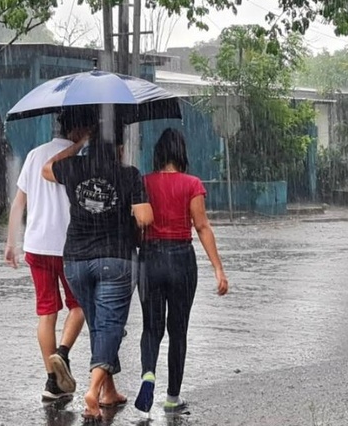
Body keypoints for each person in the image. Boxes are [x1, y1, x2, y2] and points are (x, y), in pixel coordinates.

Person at [42, 118, 153, 421]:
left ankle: (108, 391)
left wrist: (78, 145)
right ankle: (92, 392)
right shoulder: (128, 174)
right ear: (119, 148)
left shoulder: (74, 167)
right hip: (115, 259)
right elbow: (145, 217)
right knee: (109, 325)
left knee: (99, 325)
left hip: (75, 260)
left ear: (91, 145)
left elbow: (47, 168)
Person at [134, 128, 229, 415]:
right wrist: (218, 269)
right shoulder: (192, 184)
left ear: (159, 154)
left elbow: (137, 224)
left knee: (151, 327)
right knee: (178, 331)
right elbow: (202, 227)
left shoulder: (143, 182)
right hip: (181, 260)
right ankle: (172, 398)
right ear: (181, 154)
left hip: (149, 260)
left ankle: (148, 373)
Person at [4, 109, 95, 401]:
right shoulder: (79, 161)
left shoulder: (34, 155)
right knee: (80, 305)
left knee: (46, 312)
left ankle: (52, 383)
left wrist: (11, 242)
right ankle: (62, 356)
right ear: (79, 130)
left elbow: (19, 203)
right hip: (69, 246)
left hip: (36, 245)